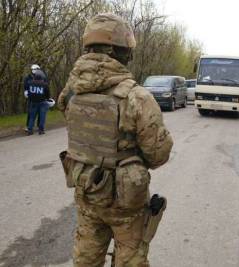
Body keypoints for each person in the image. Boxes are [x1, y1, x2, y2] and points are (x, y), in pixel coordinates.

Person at [57, 13, 173, 267]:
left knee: (86, 258)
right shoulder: (137, 97)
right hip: (126, 204)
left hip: (87, 192)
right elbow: (158, 154)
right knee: (130, 260)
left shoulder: (71, 92)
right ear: (119, 52)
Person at [26, 69, 50, 135]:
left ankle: (30, 130)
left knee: (32, 117)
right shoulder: (45, 84)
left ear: (34, 78)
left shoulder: (30, 83)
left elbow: (28, 92)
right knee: (42, 116)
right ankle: (41, 130)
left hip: (33, 102)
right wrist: (47, 99)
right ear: (41, 78)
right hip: (42, 102)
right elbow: (47, 94)